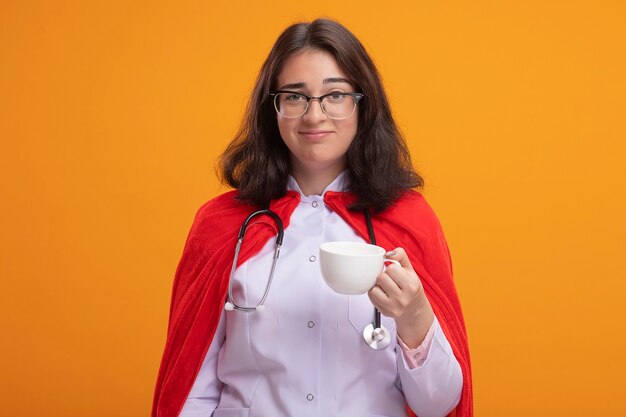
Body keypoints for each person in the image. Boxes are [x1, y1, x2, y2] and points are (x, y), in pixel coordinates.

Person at [152, 18, 472, 417]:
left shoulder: (410, 222)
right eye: (295, 97)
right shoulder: (221, 226)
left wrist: (415, 315)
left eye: (335, 95)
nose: (314, 115)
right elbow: (191, 390)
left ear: (362, 105)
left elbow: (439, 405)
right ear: (274, 109)